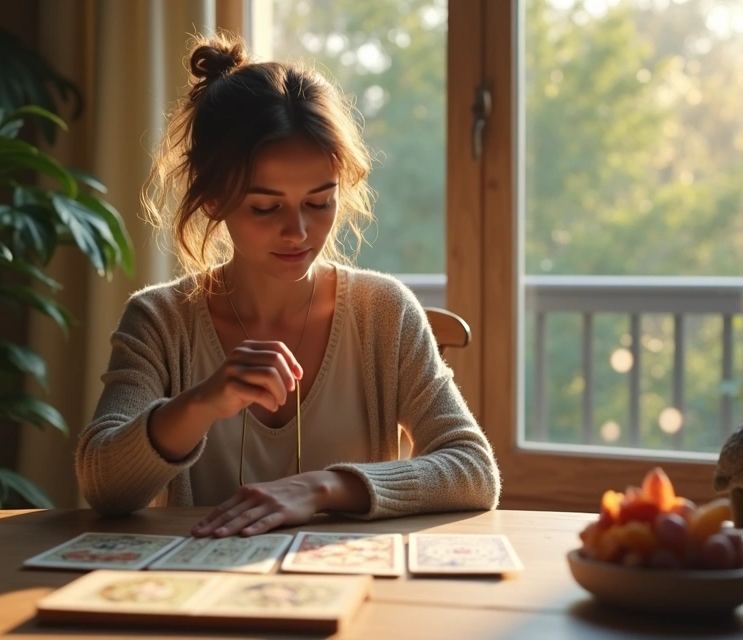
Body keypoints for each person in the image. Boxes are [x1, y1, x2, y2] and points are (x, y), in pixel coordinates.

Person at [76, 33, 500, 538]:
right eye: (265, 207)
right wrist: (200, 403)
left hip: (352, 581)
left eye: (319, 202)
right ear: (213, 199)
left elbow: (473, 469)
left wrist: (321, 488)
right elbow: (103, 487)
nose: (298, 232)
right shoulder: (159, 320)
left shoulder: (384, 311)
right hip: (203, 581)